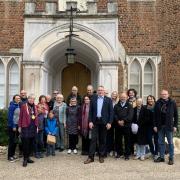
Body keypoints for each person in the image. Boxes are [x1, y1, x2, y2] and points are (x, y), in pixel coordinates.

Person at [84, 86, 113, 164]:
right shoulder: (93, 99)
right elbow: (90, 112)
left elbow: (111, 113)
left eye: (101, 90)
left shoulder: (108, 100)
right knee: (93, 139)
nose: (100, 91)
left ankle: (101, 156)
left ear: (104, 91)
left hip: (104, 123)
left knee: (102, 140)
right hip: (95, 122)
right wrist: (90, 121)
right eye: (99, 90)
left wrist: (109, 122)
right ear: (97, 91)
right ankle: (91, 157)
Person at [154, 90, 178, 165]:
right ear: (160, 95)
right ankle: (162, 157)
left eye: (165, 94)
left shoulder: (172, 102)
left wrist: (175, 125)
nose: (164, 95)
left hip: (169, 126)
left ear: (168, 95)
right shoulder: (157, 103)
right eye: (162, 94)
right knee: (161, 142)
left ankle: (171, 158)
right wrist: (155, 125)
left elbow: (176, 115)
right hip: (160, 126)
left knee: (170, 142)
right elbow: (154, 116)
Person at [18, 94, 38, 167]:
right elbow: (20, 117)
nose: (32, 100)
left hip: (33, 127)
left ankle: (28, 157)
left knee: (31, 143)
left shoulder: (35, 106)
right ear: (28, 99)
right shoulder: (24, 106)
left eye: (33, 99)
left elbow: (36, 117)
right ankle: (25, 159)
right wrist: (19, 126)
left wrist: (37, 126)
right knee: (26, 144)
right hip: (26, 127)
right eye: (30, 98)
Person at [114, 92, 134, 160]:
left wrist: (123, 121)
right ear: (119, 97)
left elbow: (130, 116)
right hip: (118, 126)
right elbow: (114, 115)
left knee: (127, 140)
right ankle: (119, 153)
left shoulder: (129, 106)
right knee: (118, 140)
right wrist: (118, 121)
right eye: (122, 97)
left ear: (127, 97)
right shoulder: (116, 106)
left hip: (126, 126)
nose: (123, 98)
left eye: (124, 97)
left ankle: (127, 155)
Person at [7, 94, 21, 162]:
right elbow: (10, 117)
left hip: (17, 125)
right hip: (13, 126)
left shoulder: (18, 105)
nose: (18, 99)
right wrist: (13, 126)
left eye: (19, 98)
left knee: (15, 141)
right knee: (12, 141)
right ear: (14, 99)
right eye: (17, 98)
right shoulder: (12, 106)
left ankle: (13, 155)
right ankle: (9, 156)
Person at [106, 91, 119, 156]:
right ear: (111, 95)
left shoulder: (118, 102)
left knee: (117, 136)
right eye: (113, 94)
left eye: (115, 94)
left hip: (116, 121)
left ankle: (116, 150)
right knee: (109, 136)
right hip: (110, 121)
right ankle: (110, 149)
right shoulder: (108, 101)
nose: (114, 95)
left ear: (117, 95)